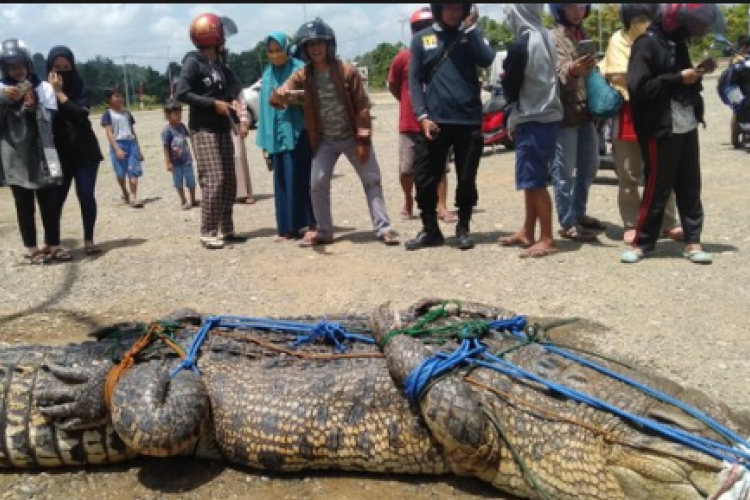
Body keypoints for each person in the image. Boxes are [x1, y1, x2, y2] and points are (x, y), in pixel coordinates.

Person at [271, 17, 399, 247]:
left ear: (329, 45)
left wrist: (363, 138)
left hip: (352, 135)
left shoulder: (346, 70)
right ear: (305, 50)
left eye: (320, 43)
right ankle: (324, 231)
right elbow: (281, 95)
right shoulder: (304, 74)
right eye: (310, 45)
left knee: (372, 180)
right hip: (324, 140)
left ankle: (384, 229)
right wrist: (280, 93)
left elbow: (362, 106)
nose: (316, 48)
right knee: (317, 184)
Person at [622, 3, 725, 264]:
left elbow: (684, 80)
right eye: (693, 26)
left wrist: (698, 73)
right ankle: (642, 243)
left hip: (686, 122)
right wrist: (679, 78)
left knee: (690, 184)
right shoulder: (646, 43)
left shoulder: (676, 44)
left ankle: (693, 240)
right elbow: (640, 88)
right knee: (658, 186)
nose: (695, 31)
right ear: (675, 21)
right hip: (661, 127)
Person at [405, 3, 495, 251]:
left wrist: (471, 28)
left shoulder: (470, 36)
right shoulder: (422, 40)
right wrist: (422, 116)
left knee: (466, 179)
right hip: (435, 122)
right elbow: (413, 80)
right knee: (424, 177)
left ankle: (463, 227)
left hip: (468, 120)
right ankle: (430, 229)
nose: (455, 13)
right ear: (438, 9)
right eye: (450, 8)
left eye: (459, 8)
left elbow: (487, 59)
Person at [600, 4, 683, 245]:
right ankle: (631, 223)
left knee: (660, 172)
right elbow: (621, 76)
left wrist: (651, 79)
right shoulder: (618, 39)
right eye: (637, 18)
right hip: (627, 112)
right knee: (628, 174)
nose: (643, 22)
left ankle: (668, 222)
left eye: (647, 17)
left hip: (656, 110)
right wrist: (652, 79)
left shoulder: (661, 39)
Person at [176, 13, 246, 250]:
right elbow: (181, 93)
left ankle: (226, 228)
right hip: (203, 128)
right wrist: (212, 104)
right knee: (214, 179)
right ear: (211, 33)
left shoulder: (219, 63)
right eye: (222, 33)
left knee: (229, 180)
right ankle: (207, 231)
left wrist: (235, 106)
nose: (225, 38)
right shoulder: (193, 61)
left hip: (222, 127)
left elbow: (234, 88)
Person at [498, 4, 563, 258]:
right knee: (530, 178)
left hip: (532, 116)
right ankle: (527, 230)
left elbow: (511, 89)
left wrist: (511, 117)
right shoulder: (547, 35)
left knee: (535, 181)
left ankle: (547, 238)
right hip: (549, 115)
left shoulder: (521, 44)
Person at [0, 38, 69, 264]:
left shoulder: (44, 87)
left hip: (43, 152)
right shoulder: (2, 90)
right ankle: (31, 248)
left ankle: (54, 244)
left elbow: (50, 119)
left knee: (49, 202)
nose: (17, 71)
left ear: (28, 66)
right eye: (11, 67)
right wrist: (6, 102)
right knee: (24, 205)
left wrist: (32, 106)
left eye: (20, 66)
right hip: (16, 155)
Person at [387, 6, 457, 224]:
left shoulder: (446, 53)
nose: (424, 30)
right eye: (420, 27)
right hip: (409, 123)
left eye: (428, 26)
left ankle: (442, 206)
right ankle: (408, 201)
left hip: (438, 121)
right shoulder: (401, 59)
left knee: (440, 168)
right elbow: (394, 86)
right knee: (407, 169)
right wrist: (409, 105)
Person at [548, 4, 603, 244]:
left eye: (581, 5)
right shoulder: (554, 38)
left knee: (590, 166)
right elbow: (559, 76)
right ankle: (568, 221)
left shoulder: (584, 34)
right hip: (565, 114)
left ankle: (579, 212)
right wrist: (573, 71)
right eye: (570, 6)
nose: (577, 11)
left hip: (586, 112)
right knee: (564, 172)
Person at [256, 31, 316, 242]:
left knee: (302, 177)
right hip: (276, 137)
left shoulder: (299, 68)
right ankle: (288, 227)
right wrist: (265, 144)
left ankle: (311, 223)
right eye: (270, 51)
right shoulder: (267, 74)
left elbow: (312, 99)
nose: (275, 55)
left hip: (298, 132)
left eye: (278, 50)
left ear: (286, 49)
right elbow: (264, 111)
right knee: (282, 181)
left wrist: (292, 99)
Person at [46, 45, 105, 256]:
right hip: (57, 154)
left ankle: (89, 239)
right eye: (57, 68)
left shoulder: (81, 87)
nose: (62, 72)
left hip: (85, 152)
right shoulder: (43, 91)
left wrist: (60, 94)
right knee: (55, 199)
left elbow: (80, 116)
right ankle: (52, 242)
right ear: (49, 68)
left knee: (86, 196)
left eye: (66, 67)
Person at [101, 87, 144, 208]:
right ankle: (124, 191)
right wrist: (117, 149)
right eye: (116, 96)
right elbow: (109, 133)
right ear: (109, 99)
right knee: (120, 173)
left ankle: (133, 197)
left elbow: (133, 131)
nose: (120, 98)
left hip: (131, 144)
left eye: (121, 96)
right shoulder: (108, 115)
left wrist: (138, 149)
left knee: (133, 171)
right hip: (118, 144)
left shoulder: (127, 113)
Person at [161, 98, 197, 210]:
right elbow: (166, 147)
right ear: (168, 115)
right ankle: (183, 200)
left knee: (191, 180)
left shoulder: (182, 126)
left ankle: (193, 199)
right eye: (176, 114)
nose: (179, 116)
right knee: (178, 182)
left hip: (186, 159)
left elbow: (189, 136)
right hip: (175, 162)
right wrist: (168, 162)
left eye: (180, 113)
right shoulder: (166, 130)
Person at [233, 90, 255, 204]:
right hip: (218, 124)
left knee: (239, 156)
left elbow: (242, 103)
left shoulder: (232, 82)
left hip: (234, 122)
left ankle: (245, 192)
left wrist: (244, 122)